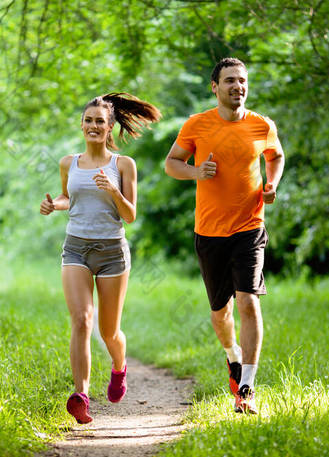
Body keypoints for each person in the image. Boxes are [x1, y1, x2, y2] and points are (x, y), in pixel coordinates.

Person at [164, 57, 284, 414]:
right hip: (210, 232)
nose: (238, 86)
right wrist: (197, 171)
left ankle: (246, 386)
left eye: (243, 80)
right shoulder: (197, 124)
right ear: (215, 87)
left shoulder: (261, 125)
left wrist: (271, 182)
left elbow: (275, 156)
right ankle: (232, 357)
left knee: (248, 301)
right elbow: (172, 163)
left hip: (249, 228)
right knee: (221, 313)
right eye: (230, 80)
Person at [40, 93, 160, 424]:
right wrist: (55, 205)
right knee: (81, 320)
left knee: (109, 333)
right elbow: (68, 196)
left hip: (111, 253)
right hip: (76, 247)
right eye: (89, 120)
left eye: (100, 122)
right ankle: (81, 395)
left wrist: (113, 190)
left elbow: (131, 214)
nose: (94, 126)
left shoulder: (123, 165)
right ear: (82, 125)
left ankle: (119, 367)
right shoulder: (68, 162)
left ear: (110, 128)